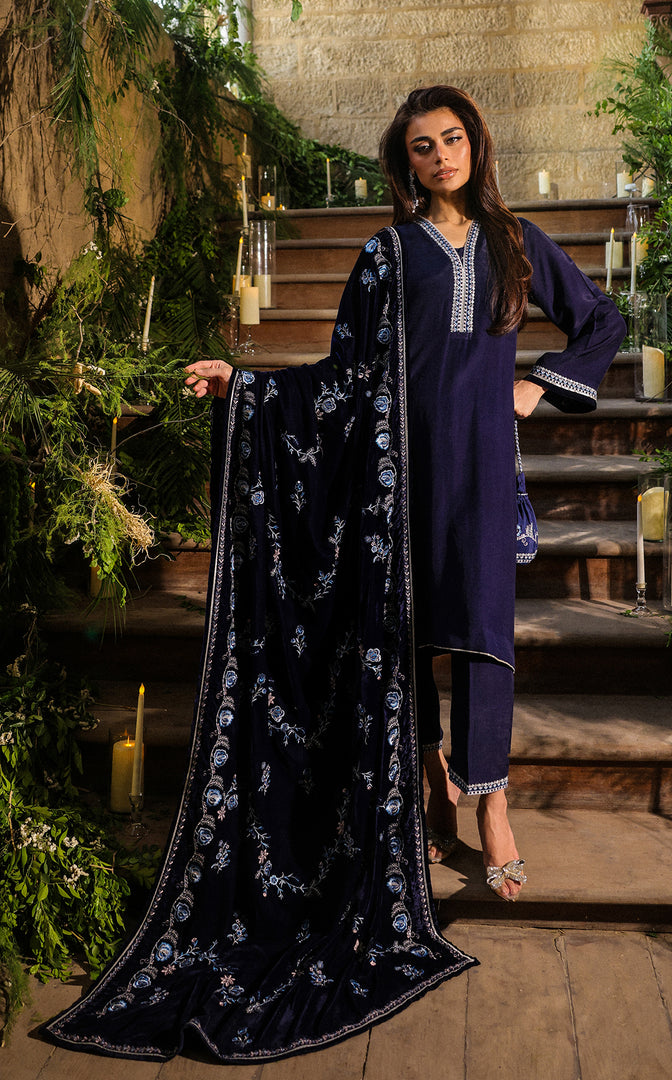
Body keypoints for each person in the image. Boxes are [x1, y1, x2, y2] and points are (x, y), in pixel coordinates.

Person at [42, 86, 625, 1062]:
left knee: (482, 635)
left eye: (451, 139)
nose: (440, 156)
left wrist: (537, 384)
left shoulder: (519, 244)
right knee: (403, 638)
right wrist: (248, 386)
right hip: (395, 481)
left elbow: (600, 320)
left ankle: (491, 805)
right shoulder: (387, 255)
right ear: (405, 164)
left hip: (483, 472)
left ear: (476, 144)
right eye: (421, 147)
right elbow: (345, 373)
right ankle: (420, 786)